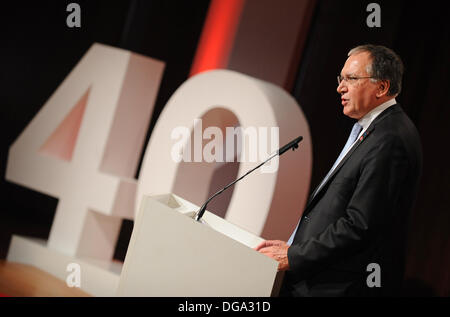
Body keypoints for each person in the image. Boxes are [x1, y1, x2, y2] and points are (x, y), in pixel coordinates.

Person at [255, 44, 422, 296]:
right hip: (320, 278)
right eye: (341, 78)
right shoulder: (372, 130)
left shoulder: (391, 139)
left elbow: (360, 225)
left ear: (382, 87)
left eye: (351, 79)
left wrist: (296, 255)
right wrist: (294, 246)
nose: (340, 88)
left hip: (340, 286)